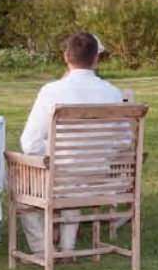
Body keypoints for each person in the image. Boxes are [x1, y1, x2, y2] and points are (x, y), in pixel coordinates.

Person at [20, 32, 124, 256]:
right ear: (96, 59)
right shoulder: (113, 93)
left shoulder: (51, 92)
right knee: (73, 176)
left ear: (66, 57)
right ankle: (67, 249)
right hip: (100, 178)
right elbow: (124, 142)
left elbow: (29, 143)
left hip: (62, 178)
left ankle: (42, 250)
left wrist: (51, 152)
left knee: (25, 178)